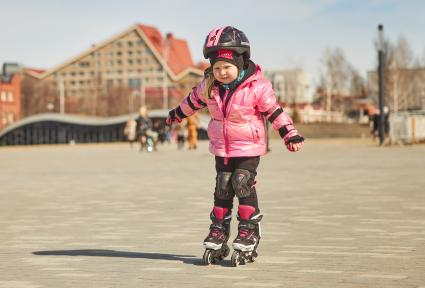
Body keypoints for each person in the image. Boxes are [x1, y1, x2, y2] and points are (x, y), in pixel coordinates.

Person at [166, 26, 304, 265]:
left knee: (241, 182)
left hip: (249, 147)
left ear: (241, 62)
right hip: (222, 147)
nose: (221, 72)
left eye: (226, 67)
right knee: (223, 187)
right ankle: (219, 230)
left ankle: (249, 229)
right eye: (216, 67)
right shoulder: (209, 85)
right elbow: (192, 101)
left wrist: (289, 133)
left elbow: (274, 111)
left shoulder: (257, 86)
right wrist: (176, 115)